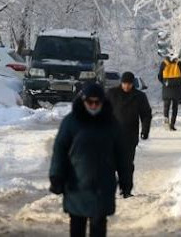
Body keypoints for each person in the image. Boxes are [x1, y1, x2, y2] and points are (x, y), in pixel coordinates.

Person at [49, 82, 133, 237]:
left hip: (103, 185)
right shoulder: (71, 122)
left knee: (98, 225)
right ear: (83, 101)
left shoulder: (111, 124)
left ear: (102, 102)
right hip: (76, 184)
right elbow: (60, 150)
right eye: (90, 102)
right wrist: (56, 176)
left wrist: (126, 180)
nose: (93, 106)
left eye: (97, 102)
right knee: (77, 225)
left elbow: (122, 155)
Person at [105, 71, 152, 192]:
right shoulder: (111, 94)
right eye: (124, 83)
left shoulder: (139, 96)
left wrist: (145, 130)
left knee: (127, 164)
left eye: (129, 84)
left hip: (130, 135)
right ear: (121, 83)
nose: (126, 86)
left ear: (133, 84)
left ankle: (126, 190)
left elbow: (146, 114)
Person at [157, 55, 181, 131]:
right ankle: (172, 125)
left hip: (166, 87)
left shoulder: (164, 63)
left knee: (166, 106)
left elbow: (160, 76)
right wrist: (178, 82)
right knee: (175, 107)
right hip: (176, 87)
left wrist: (165, 83)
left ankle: (166, 122)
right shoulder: (180, 63)